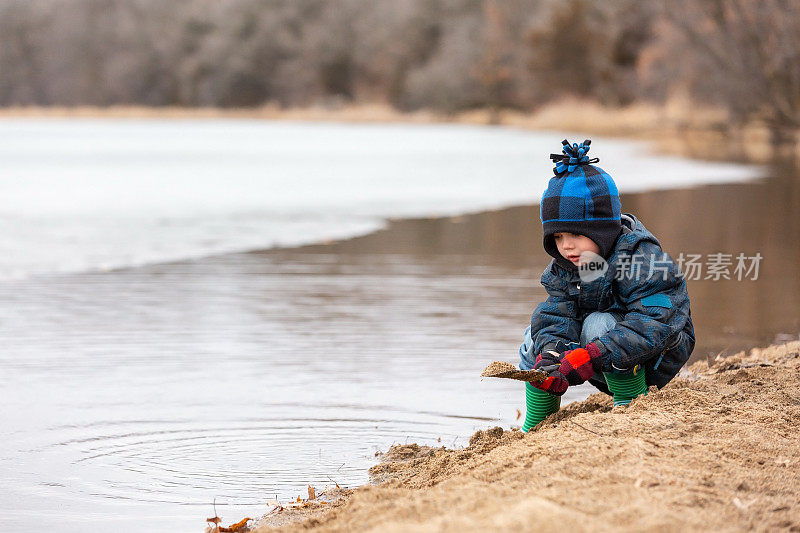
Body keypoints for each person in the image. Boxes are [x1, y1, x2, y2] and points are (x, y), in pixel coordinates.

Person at [518, 139, 695, 432]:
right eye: (558, 237)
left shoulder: (642, 259)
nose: (567, 246)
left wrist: (592, 355)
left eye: (575, 234)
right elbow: (557, 314)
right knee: (533, 341)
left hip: (655, 356)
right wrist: (552, 354)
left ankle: (630, 403)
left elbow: (656, 322)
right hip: (599, 357)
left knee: (600, 323)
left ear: (602, 230)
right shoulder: (566, 266)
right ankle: (538, 422)